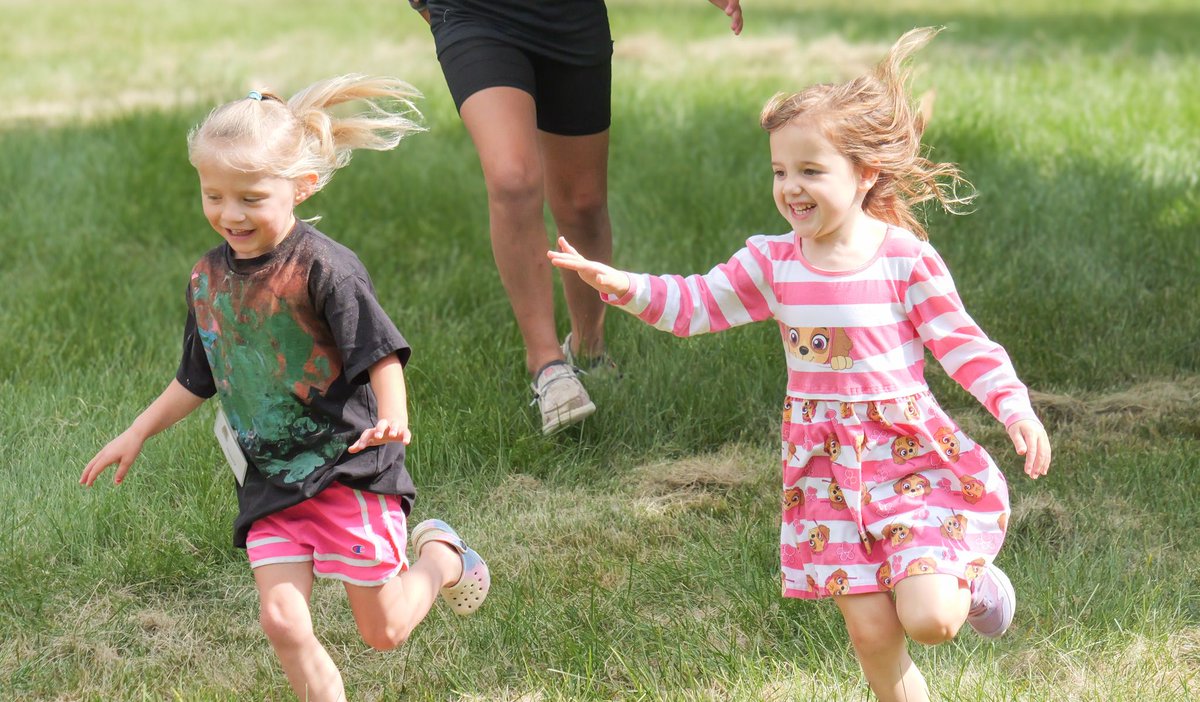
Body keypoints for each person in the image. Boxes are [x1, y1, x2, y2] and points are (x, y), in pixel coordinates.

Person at [549, 28, 1052, 702]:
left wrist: (1013, 406)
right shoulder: (772, 262)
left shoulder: (903, 258)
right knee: (873, 633)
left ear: (865, 174)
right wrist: (621, 284)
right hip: (825, 470)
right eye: (780, 172)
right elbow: (695, 303)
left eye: (812, 171)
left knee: (929, 621)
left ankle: (975, 580)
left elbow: (961, 342)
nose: (791, 188)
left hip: (905, 459)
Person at [80, 76, 490, 702]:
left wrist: (395, 418)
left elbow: (380, 355)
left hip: (349, 467)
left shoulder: (327, 268)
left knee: (384, 630)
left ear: (302, 186)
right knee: (282, 620)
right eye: (213, 194)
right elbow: (198, 377)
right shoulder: (207, 278)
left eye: (250, 196)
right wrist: (136, 431)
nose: (229, 213)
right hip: (270, 476)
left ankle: (442, 555)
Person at [406, 0, 745, 434]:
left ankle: (589, 347)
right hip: (474, 14)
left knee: (582, 202)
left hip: (570, 15)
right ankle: (547, 364)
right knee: (512, 180)